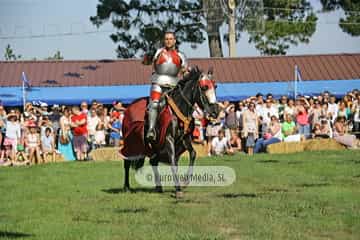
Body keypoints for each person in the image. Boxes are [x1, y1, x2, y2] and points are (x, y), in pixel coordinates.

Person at [145, 31, 188, 142]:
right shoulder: (158, 52)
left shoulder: (181, 55)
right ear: (164, 41)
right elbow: (145, 62)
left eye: (170, 39)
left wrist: (187, 73)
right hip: (158, 83)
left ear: (174, 40)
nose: (168, 41)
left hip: (174, 85)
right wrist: (148, 55)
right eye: (166, 39)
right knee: (154, 104)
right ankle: (151, 129)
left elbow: (184, 71)